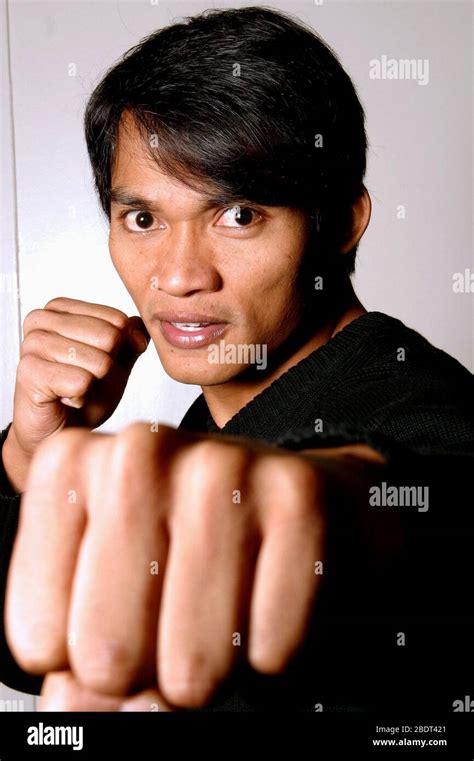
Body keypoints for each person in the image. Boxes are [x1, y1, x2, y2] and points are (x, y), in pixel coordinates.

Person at [1, 6, 473, 712]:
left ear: (340, 222)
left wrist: (330, 514)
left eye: (239, 214)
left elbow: (427, 504)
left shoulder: (422, 409)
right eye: (143, 219)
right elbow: (36, 644)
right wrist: (31, 460)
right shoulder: (219, 411)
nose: (180, 274)